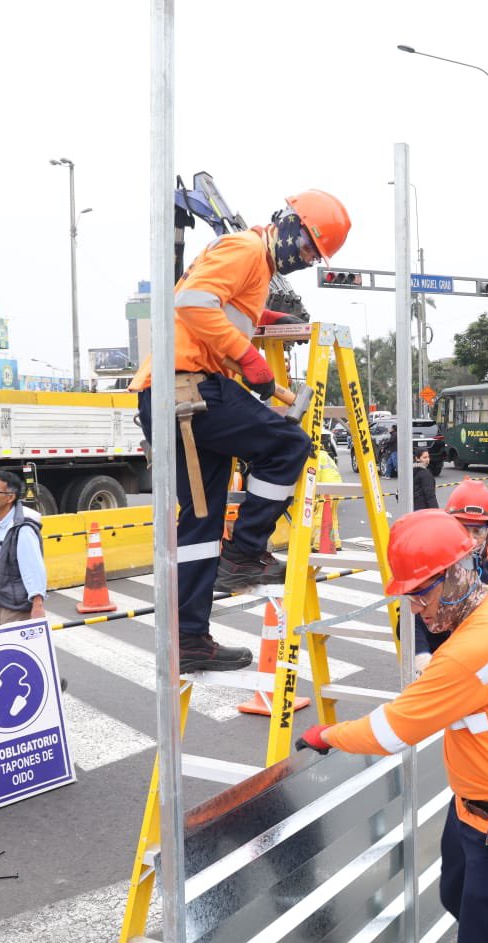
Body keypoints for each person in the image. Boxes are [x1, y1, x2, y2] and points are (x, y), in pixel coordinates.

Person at [297, 510, 488, 943]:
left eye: (421, 594)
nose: (416, 609)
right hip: (473, 807)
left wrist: (327, 734)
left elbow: (392, 730)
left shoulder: (467, 653)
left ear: (457, 574)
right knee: (459, 898)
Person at [131, 189, 351, 672]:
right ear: (290, 224)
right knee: (288, 445)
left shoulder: (257, 268)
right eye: (310, 245)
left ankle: (189, 640)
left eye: (317, 254)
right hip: (188, 386)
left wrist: (263, 318)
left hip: (175, 395)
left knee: (200, 524)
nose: (308, 257)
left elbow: (218, 308)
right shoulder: (246, 249)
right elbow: (191, 303)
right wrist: (251, 359)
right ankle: (247, 551)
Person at [414, 479, 488, 671]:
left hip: (467, 661)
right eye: (463, 529)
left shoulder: (480, 568)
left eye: (478, 531)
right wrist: (421, 656)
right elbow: (410, 618)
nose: (471, 540)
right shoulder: (431, 562)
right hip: (435, 662)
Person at [0, 469, 46, 626]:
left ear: (10, 497)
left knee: (14, 650)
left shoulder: (22, 528)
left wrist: (37, 604)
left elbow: (33, 567)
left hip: (16, 606)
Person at [413, 444, 439, 510]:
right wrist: (436, 511)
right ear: (417, 458)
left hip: (411, 509)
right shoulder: (425, 473)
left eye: (428, 457)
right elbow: (430, 496)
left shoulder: (409, 471)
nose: (427, 460)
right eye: (424, 457)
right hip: (423, 510)